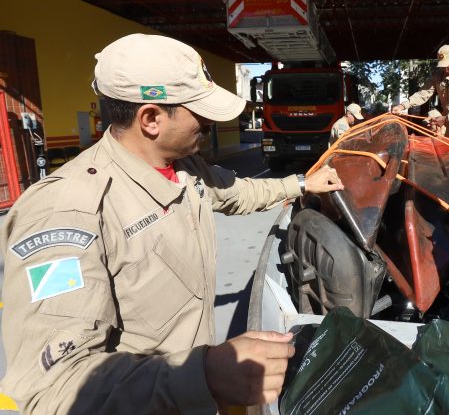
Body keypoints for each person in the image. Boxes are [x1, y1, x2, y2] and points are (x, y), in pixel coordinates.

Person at [0, 33, 344, 414]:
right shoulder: (66, 209)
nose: (209, 122)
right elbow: (55, 388)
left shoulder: (183, 166)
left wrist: (300, 184)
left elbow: (234, 192)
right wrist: (205, 374)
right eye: (198, 111)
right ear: (151, 118)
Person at [390, 44, 449, 148]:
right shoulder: (438, 75)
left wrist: (445, 118)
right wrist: (401, 106)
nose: (445, 68)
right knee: (444, 151)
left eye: (447, 64)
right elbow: (423, 93)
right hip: (447, 120)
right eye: (442, 65)